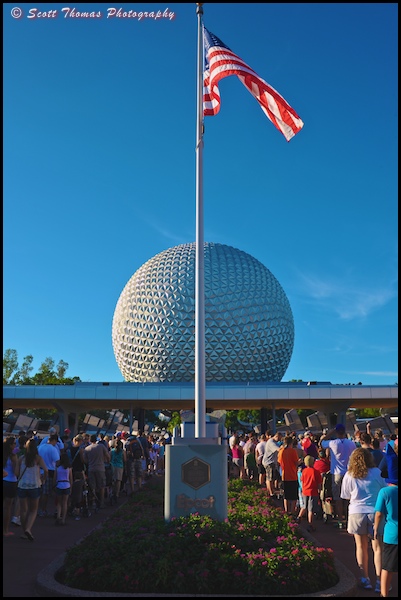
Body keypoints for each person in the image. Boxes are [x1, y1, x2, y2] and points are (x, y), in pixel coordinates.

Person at [340, 447, 386, 590]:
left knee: (361, 547)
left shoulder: (349, 475)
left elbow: (345, 495)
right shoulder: (377, 473)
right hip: (375, 512)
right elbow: (384, 490)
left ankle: (365, 578)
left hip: (356, 511)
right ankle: (380, 581)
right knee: (378, 548)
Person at [373, 441, 398, 597]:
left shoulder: (385, 492)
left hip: (392, 534)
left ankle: (384, 594)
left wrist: (376, 528)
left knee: (387, 567)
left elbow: (379, 514)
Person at [320, 423, 356, 526]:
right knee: (348, 498)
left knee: (338, 498)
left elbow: (321, 442)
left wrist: (330, 433)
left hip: (336, 473)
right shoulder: (351, 443)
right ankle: (348, 518)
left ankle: (340, 520)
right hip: (349, 472)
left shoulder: (333, 443)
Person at [17, 439, 48, 541]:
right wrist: (43, 478)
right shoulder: (38, 459)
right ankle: (28, 529)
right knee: (33, 510)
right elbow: (46, 470)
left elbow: (16, 473)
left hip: (22, 485)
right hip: (34, 485)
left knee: (23, 510)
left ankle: (24, 531)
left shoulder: (21, 458)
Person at [83, 433, 110, 509]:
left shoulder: (87, 448)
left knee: (92, 486)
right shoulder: (101, 447)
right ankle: (101, 502)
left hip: (91, 468)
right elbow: (108, 456)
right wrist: (107, 461)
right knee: (102, 485)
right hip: (101, 468)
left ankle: (94, 501)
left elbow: (85, 460)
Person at [297, 455, 322, 532]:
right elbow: (319, 483)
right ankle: (311, 524)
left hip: (305, 490)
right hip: (313, 492)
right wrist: (320, 490)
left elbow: (302, 480)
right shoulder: (316, 472)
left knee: (304, 506)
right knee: (311, 509)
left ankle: (299, 517)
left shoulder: (304, 471)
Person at [37, 434, 60, 516]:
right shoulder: (53, 449)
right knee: (45, 493)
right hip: (49, 471)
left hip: (39, 470)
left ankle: (37, 509)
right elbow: (57, 461)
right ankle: (43, 510)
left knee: (39, 492)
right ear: (54, 440)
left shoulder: (40, 447)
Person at [277, 435, 300, 515]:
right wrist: (301, 461)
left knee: (286, 496)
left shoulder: (281, 451)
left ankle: (286, 511)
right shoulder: (293, 451)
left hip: (284, 475)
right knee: (294, 496)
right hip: (293, 475)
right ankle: (292, 512)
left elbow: (279, 462)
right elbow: (296, 462)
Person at [3, 437, 19, 536]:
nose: (15, 445)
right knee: (7, 508)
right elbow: (15, 471)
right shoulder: (13, 456)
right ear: (10, 445)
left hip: (3, 479)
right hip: (11, 481)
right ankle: (5, 530)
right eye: (14, 444)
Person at [54, 452, 73, 525]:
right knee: (65, 502)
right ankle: (63, 519)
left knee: (59, 502)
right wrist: (71, 486)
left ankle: (58, 516)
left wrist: (54, 485)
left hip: (59, 484)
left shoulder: (58, 468)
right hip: (66, 484)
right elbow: (71, 478)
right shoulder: (69, 468)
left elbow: (55, 478)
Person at [262, 431, 283, 497]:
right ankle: (271, 493)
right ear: (276, 436)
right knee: (269, 478)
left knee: (272, 477)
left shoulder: (273, 442)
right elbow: (278, 450)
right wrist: (284, 447)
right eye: (279, 438)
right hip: (269, 462)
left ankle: (271, 490)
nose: (279, 440)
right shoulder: (271, 442)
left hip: (271, 462)